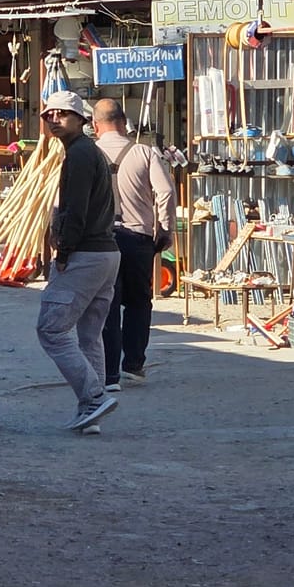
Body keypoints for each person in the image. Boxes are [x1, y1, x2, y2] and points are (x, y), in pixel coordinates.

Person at [34, 90, 122, 432]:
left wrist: (64, 251)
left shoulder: (81, 154)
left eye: (62, 114)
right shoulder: (85, 151)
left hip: (86, 253)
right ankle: (92, 412)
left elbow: (76, 209)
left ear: (82, 120)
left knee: (51, 328)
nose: (54, 119)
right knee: (89, 335)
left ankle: (94, 397)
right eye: (49, 114)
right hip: (105, 254)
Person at [91, 97, 175, 391]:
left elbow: (66, 199)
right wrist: (165, 229)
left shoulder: (88, 154)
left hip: (101, 241)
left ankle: (109, 373)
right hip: (139, 239)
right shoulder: (144, 152)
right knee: (139, 302)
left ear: (95, 125)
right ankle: (134, 365)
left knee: (108, 304)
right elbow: (165, 192)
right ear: (124, 123)